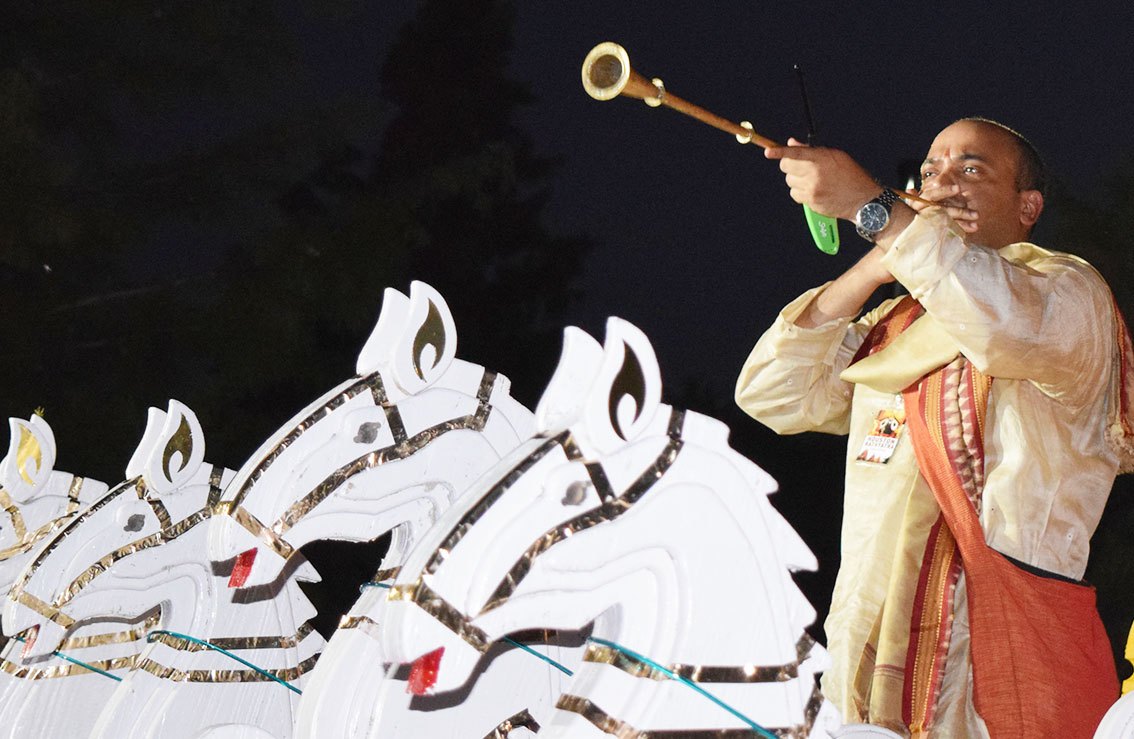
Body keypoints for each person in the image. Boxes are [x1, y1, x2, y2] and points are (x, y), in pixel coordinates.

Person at [735, 118, 1133, 737]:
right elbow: (774, 392)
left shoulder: (1065, 292)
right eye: (929, 172)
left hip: (996, 644)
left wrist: (873, 209)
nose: (942, 183)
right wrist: (874, 266)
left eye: (970, 169)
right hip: (865, 651)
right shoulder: (896, 322)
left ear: (1028, 206)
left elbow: (997, 323)